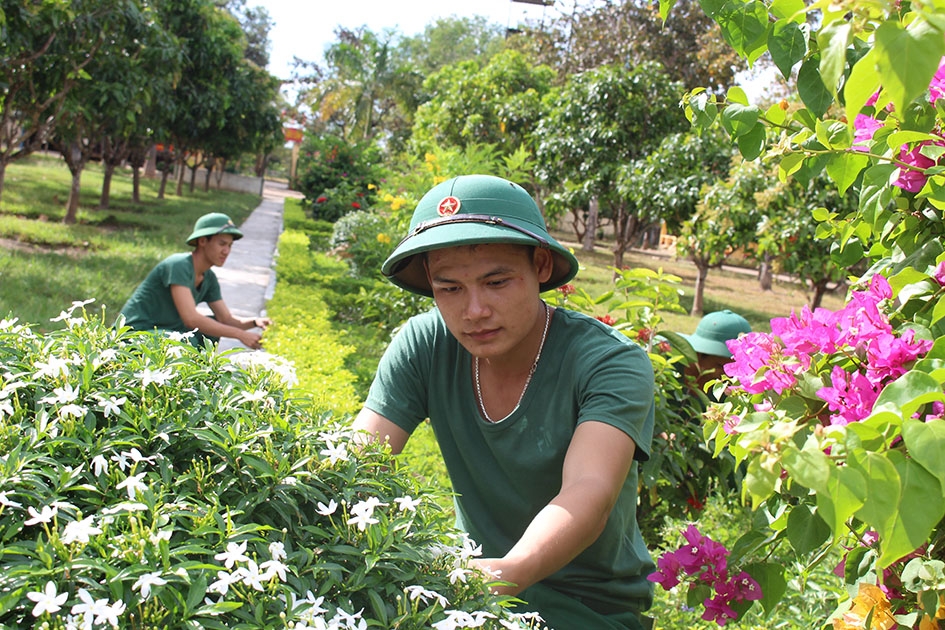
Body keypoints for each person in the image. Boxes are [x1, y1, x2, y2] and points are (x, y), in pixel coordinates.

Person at [352, 174, 655, 630]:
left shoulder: (609, 362)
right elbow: (361, 457)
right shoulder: (425, 344)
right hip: (473, 592)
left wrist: (506, 573)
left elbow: (588, 491)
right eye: (449, 289)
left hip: (589, 606)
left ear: (541, 266)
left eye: (496, 282)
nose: (474, 310)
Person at [119, 212, 271, 349]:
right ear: (203, 241)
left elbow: (226, 319)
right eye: (222, 244)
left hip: (161, 335)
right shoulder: (178, 265)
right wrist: (240, 335)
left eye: (230, 246)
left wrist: (255, 322)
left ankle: (199, 378)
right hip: (133, 336)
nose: (226, 251)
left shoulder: (208, 278)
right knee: (186, 342)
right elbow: (191, 319)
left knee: (209, 330)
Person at [679, 309, 752, 395]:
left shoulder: (732, 388)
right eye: (720, 366)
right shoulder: (669, 367)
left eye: (737, 368)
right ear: (698, 355)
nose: (729, 375)